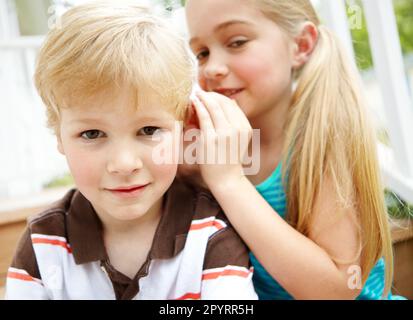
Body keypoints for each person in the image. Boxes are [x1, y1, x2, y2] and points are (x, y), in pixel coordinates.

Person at [5, 1, 257, 300]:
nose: (124, 164)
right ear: (58, 136)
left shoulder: (209, 232)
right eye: (92, 133)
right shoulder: (42, 244)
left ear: (184, 128)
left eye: (149, 130)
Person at [184, 0, 401, 299]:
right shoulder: (208, 147)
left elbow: (337, 291)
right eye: (202, 53)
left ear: (300, 45)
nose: (212, 68)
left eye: (236, 42)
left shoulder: (322, 137)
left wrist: (228, 182)